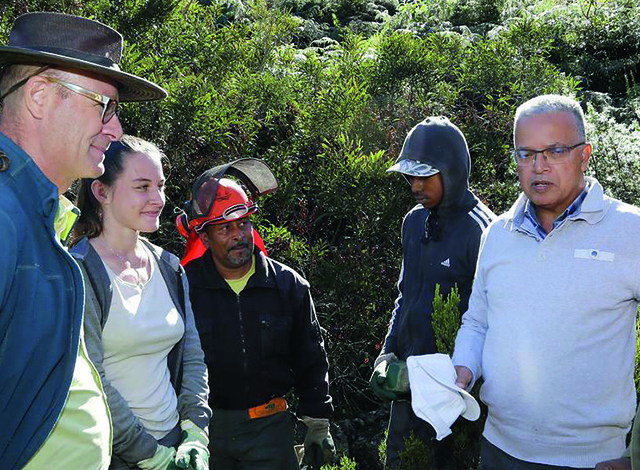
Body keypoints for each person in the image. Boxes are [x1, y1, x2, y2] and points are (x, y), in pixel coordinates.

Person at [0, 12, 166, 469]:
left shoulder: (38, 218)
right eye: (103, 105)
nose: (115, 131)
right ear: (38, 96)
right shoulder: (5, 217)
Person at [453, 94, 640, 469]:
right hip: (497, 449)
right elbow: (478, 322)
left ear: (585, 155)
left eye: (555, 151)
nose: (539, 166)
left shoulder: (630, 231)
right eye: (526, 153)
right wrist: (462, 372)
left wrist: (636, 456)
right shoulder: (498, 234)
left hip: (593, 460)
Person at [177, 159, 336, 469]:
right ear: (204, 237)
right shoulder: (184, 287)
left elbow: (311, 357)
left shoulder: (287, 285)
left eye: (244, 224)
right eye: (225, 228)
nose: (239, 235)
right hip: (206, 430)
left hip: (270, 428)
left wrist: (317, 421)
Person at [70, 136, 211, 470]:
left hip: (176, 445)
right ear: (101, 192)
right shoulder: (78, 271)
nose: (158, 199)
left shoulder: (170, 266)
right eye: (142, 186)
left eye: (160, 186)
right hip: (112, 456)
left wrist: (195, 433)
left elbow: (192, 355)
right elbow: (91, 379)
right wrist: (149, 455)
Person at [370, 116, 495, 469]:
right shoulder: (413, 222)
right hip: (408, 388)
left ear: (451, 172)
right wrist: (388, 353)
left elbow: (492, 320)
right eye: (410, 176)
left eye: (424, 175)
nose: (414, 185)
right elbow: (404, 296)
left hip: (460, 395)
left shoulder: (483, 231)